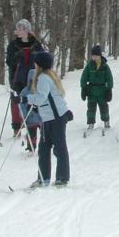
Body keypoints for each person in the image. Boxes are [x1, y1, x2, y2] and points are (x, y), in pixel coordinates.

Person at [23, 50, 72, 187]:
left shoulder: (44, 78)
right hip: (47, 118)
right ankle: (43, 178)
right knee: (44, 148)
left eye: (36, 63)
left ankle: (62, 178)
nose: (34, 65)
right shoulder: (47, 76)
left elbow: (41, 97)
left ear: (40, 65)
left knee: (59, 147)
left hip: (55, 118)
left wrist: (25, 99)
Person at [5, 19, 43, 151]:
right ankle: (17, 128)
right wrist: (17, 56)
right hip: (17, 79)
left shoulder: (36, 44)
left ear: (27, 30)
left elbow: (43, 59)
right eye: (17, 29)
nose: (18, 31)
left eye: (21, 29)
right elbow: (9, 62)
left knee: (30, 105)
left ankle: (32, 137)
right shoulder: (13, 45)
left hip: (32, 79)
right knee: (16, 104)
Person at [80, 44, 113, 132]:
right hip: (91, 91)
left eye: (95, 56)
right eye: (93, 56)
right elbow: (83, 77)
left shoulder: (105, 66)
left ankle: (106, 122)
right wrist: (83, 88)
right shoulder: (89, 66)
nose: (94, 57)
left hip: (102, 91)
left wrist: (109, 89)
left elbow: (109, 78)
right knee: (91, 108)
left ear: (99, 56)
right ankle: (91, 124)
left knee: (104, 108)